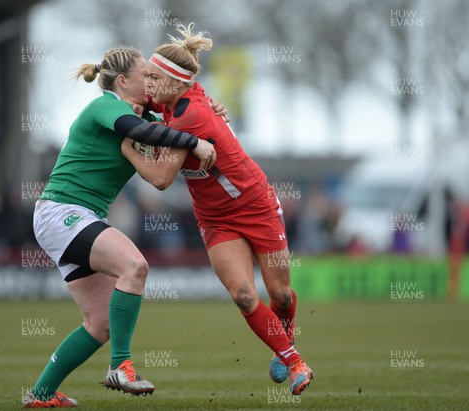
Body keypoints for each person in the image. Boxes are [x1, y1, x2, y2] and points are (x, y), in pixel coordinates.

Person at [23, 45, 221, 408]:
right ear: (124, 80)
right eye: (145, 74)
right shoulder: (107, 105)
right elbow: (144, 133)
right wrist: (194, 141)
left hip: (78, 217)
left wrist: (206, 113)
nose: (151, 80)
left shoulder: (140, 114)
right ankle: (120, 367)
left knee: (100, 324)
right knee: (135, 266)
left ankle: (40, 395)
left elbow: (175, 126)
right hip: (63, 211)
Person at [121, 24, 314, 396]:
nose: (148, 85)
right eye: (148, 77)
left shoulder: (190, 115)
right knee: (243, 294)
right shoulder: (173, 99)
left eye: (155, 78)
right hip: (215, 218)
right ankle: (294, 361)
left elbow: (162, 179)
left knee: (282, 295)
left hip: (255, 205)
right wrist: (139, 107)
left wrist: (129, 146)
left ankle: (283, 342)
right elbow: (151, 109)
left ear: (176, 83)